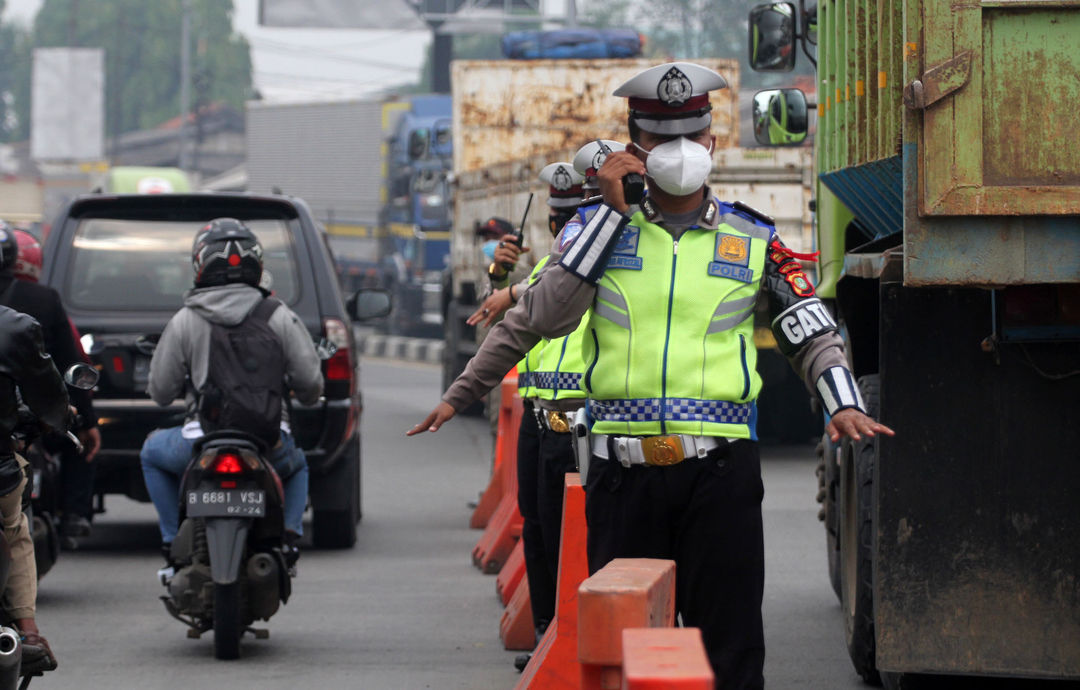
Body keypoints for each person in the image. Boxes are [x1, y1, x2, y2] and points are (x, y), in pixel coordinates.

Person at [410, 62, 894, 688]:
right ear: (632, 149)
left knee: (732, 656)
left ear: (713, 143)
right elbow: (539, 315)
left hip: (721, 479)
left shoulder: (755, 239)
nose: (680, 153)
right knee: (627, 656)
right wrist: (460, 394)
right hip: (623, 480)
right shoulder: (592, 235)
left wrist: (842, 402)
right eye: (662, 140)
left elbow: (812, 333)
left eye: (692, 137)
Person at [141, 218, 323, 571]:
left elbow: (161, 392)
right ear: (258, 264)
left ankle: (169, 542)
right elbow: (311, 387)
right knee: (298, 463)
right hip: (268, 443)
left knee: (151, 452)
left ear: (200, 263)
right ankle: (287, 540)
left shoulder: (186, 319)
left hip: (199, 441)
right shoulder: (279, 315)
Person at [473, 162, 590, 666]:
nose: (563, 230)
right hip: (538, 422)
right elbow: (494, 333)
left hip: (580, 424)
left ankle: (575, 633)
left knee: (573, 543)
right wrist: (500, 275)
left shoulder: (602, 267)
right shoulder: (543, 271)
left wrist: (514, 287)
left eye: (573, 218)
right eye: (556, 220)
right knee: (538, 533)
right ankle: (547, 634)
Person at [0, 223, 100, 544]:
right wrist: (82, 418)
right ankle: (74, 514)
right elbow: (59, 367)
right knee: (17, 534)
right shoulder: (38, 305)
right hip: (17, 424)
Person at [0, 304, 70, 674]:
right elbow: (49, 395)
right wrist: (62, 417)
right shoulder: (14, 327)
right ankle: (27, 631)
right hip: (1, 470)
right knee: (15, 532)